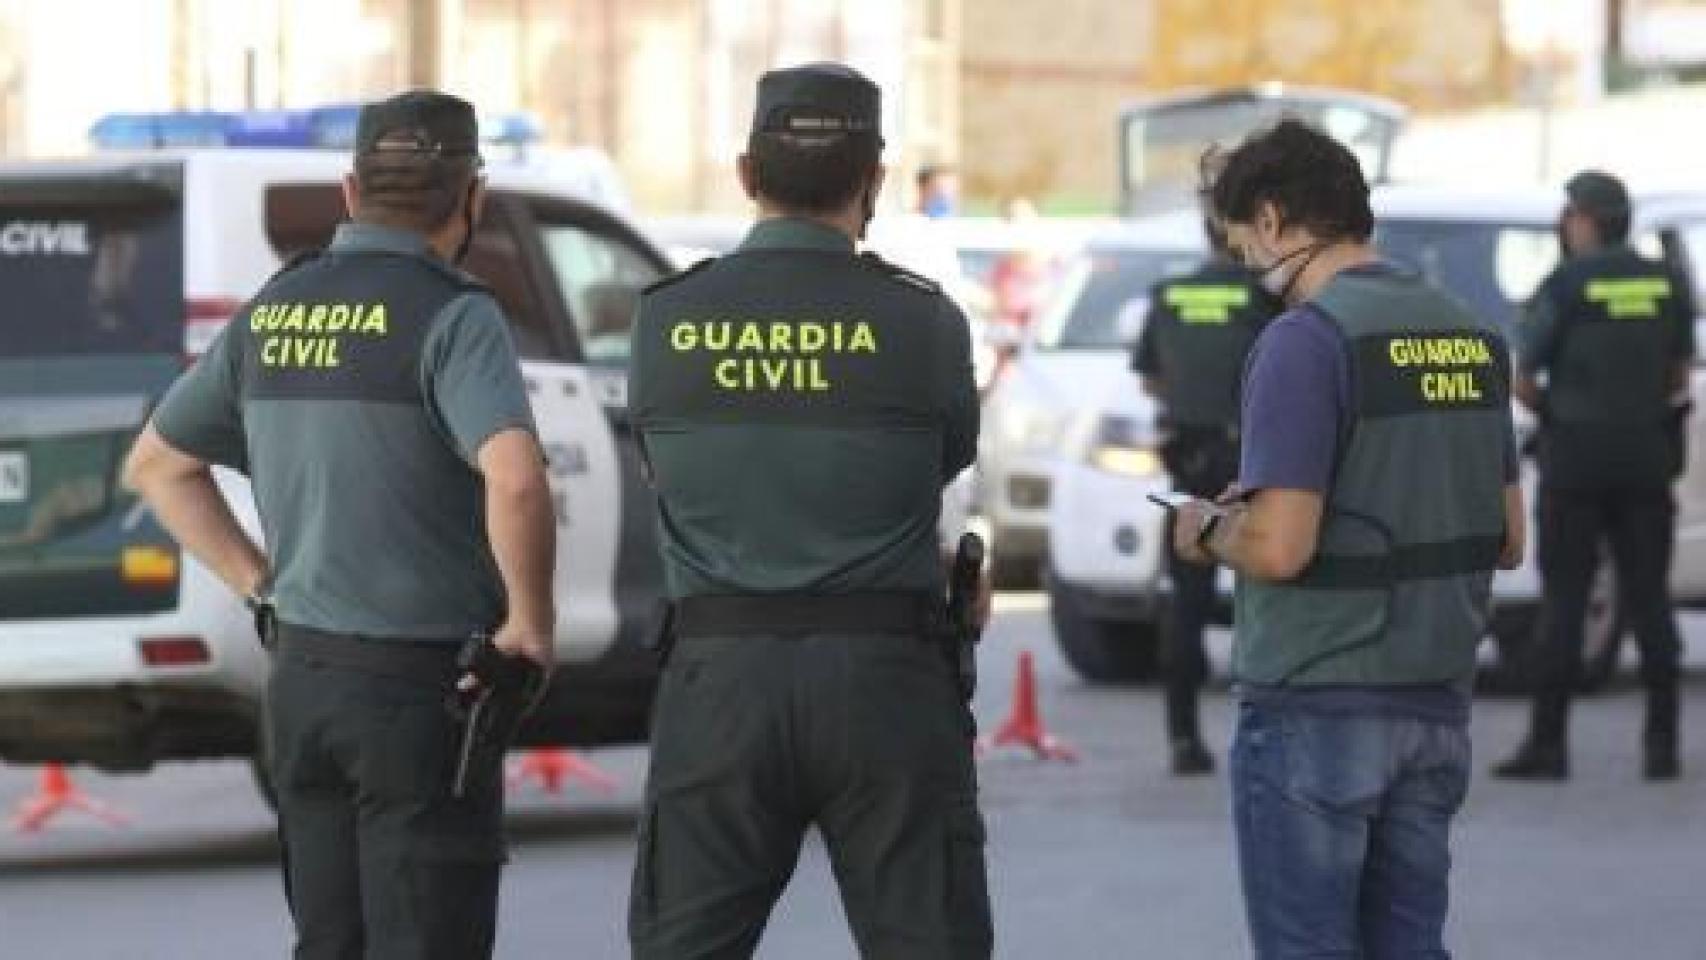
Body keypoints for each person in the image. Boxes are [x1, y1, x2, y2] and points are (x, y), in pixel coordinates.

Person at [123, 90, 556, 960]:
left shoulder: (276, 308)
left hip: (305, 683)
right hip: (420, 692)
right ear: (471, 195)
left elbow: (158, 466)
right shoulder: (454, 313)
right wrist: (529, 624)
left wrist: (258, 583)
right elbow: (514, 477)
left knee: (328, 940)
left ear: (352, 191)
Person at [626, 63, 992, 959]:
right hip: (887, 685)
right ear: (876, 178)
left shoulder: (666, 319)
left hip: (719, 685)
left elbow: (665, 463)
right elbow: (939, 462)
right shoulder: (925, 321)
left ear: (748, 174)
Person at [1176, 119, 1524, 957]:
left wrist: (1208, 532)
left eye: (1238, 247)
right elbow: (1509, 537)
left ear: (1269, 220)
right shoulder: (1470, 335)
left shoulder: (1305, 341)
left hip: (1316, 701)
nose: (1247, 270)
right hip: (1434, 701)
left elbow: (1282, 548)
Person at [1495, 170, 1694, 782]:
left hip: (1575, 466)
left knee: (1565, 603)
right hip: (1646, 462)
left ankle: (1548, 746)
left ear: (1584, 220)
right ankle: (1661, 749)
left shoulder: (1567, 283)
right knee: (1651, 602)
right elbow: (1679, 374)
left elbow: (1524, 377)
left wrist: (1558, 416)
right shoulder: (1666, 283)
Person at [1131, 217, 1280, 775]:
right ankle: (1264, 736)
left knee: (1187, 605)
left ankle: (1183, 739)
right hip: (1251, 464)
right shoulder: (1260, 299)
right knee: (1262, 604)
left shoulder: (1170, 295)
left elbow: (1149, 377)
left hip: (1188, 461)